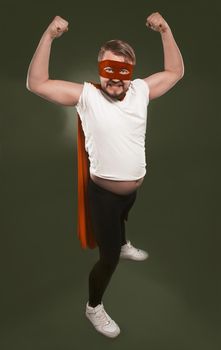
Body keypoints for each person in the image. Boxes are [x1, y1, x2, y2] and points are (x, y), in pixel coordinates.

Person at [26, 12, 184, 338]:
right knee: (107, 259)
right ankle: (93, 306)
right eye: (109, 69)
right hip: (103, 196)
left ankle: (123, 241)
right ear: (99, 70)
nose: (116, 78)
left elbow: (174, 72)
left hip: (131, 193)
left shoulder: (140, 91)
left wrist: (165, 29)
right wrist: (49, 36)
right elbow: (37, 83)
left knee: (124, 217)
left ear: (132, 72)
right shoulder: (87, 96)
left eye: (123, 70)